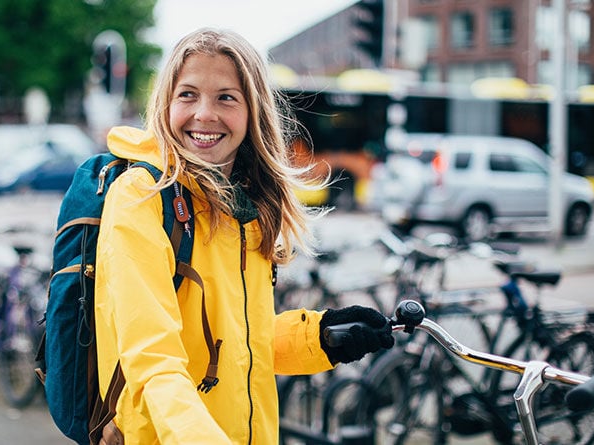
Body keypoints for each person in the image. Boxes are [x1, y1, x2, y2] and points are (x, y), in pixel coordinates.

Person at [94, 27, 394, 444]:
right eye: (188, 94)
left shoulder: (246, 207)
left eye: (226, 98)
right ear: (165, 103)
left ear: (253, 111)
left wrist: (320, 337)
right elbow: (152, 362)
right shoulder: (142, 197)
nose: (204, 114)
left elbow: (238, 344)